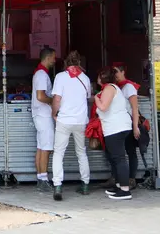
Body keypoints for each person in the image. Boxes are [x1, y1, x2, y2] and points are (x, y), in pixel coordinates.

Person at [51, 51, 91, 201]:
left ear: (66, 63)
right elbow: (87, 98)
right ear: (79, 62)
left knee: (58, 153)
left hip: (64, 121)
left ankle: (58, 185)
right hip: (81, 121)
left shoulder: (60, 77)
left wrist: (54, 113)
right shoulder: (85, 78)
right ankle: (85, 184)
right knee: (81, 152)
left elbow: (56, 99)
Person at [95, 68, 134, 200]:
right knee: (115, 158)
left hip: (115, 128)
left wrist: (96, 99)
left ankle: (125, 190)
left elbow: (103, 107)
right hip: (118, 126)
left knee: (119, 159)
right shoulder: (112, 88)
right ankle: (118, 186)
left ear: (102, 78)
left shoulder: (109, 89)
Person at [114, 62, 142, 189]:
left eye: (116, 72)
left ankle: (131, 179)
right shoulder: (118, 87)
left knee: (131, 152)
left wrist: (135, 126)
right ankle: (119, 178)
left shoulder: (129, 87)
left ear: (122, 72)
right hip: (122, 122)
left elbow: (135, 108)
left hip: (130, 122)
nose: (115, 75)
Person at [32, 47, 56, 192]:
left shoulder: (40, 73)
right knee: (46, 148)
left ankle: (40, 178)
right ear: (47, 58)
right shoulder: (41, 74)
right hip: (43, 115)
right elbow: (41, 96)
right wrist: (53, 100)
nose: (54, 60)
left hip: (40, 115)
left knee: (41, 147)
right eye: (53, 57)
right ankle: (44, 179)